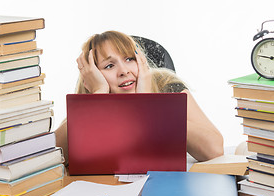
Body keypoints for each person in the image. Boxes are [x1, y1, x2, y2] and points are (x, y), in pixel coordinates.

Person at [55, 30, 224, 165]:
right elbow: (52, 155)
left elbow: (214, 149)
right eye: (109, 65)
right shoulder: (91, 100)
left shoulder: (165, 83)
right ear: (92, 76)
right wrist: (98, 96)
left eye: (129, 59)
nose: (124, 71)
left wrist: (147, 104)